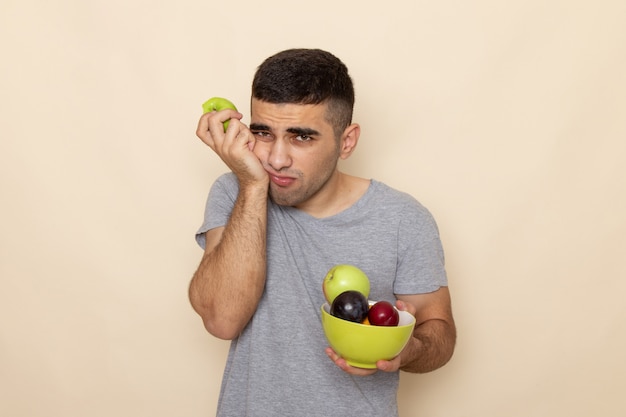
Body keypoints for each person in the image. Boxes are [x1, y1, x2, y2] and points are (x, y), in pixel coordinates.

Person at [189, 48, 456, 417]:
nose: (277, 159)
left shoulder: (403, 218)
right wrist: (252, 185)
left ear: (347, 141)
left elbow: (439, 331)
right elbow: (222, 319)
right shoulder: (234, 192)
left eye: (302, 137)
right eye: (263, 132)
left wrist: (408, 349)